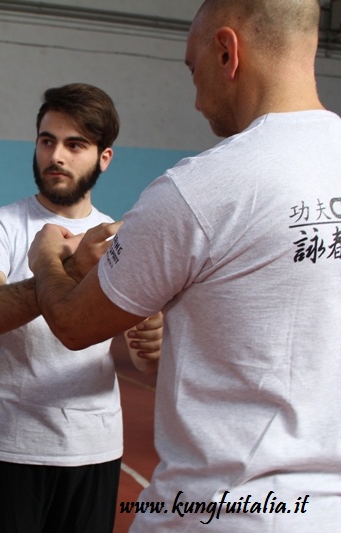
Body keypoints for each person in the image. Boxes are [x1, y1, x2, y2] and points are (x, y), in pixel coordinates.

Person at [28, 1, 340, 531]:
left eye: (194, 69)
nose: (195, 99)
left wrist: (44, 259)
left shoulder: (198, 190)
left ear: (227, 51)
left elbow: (74, 324)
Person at [0, 83, 162, 532]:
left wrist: (155, 339)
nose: (57, 156)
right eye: (47, 141)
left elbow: (146, 360)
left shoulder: (120, 240)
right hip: (8, 446)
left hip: (94, 446)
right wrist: (62, 271)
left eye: (75, 145)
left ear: (104, 158)